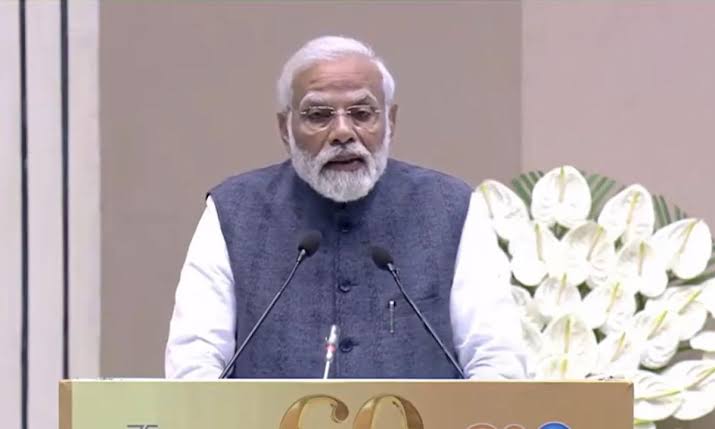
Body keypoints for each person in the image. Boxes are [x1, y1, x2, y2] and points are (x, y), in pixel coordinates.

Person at [165, 35, 526, 380]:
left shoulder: (451, 208)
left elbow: (496, 358)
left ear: (390, 122)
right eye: (318, 115)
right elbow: (194, 364)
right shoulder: (234, 212)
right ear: (285, 128)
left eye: (362, 113)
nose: (342, 132)